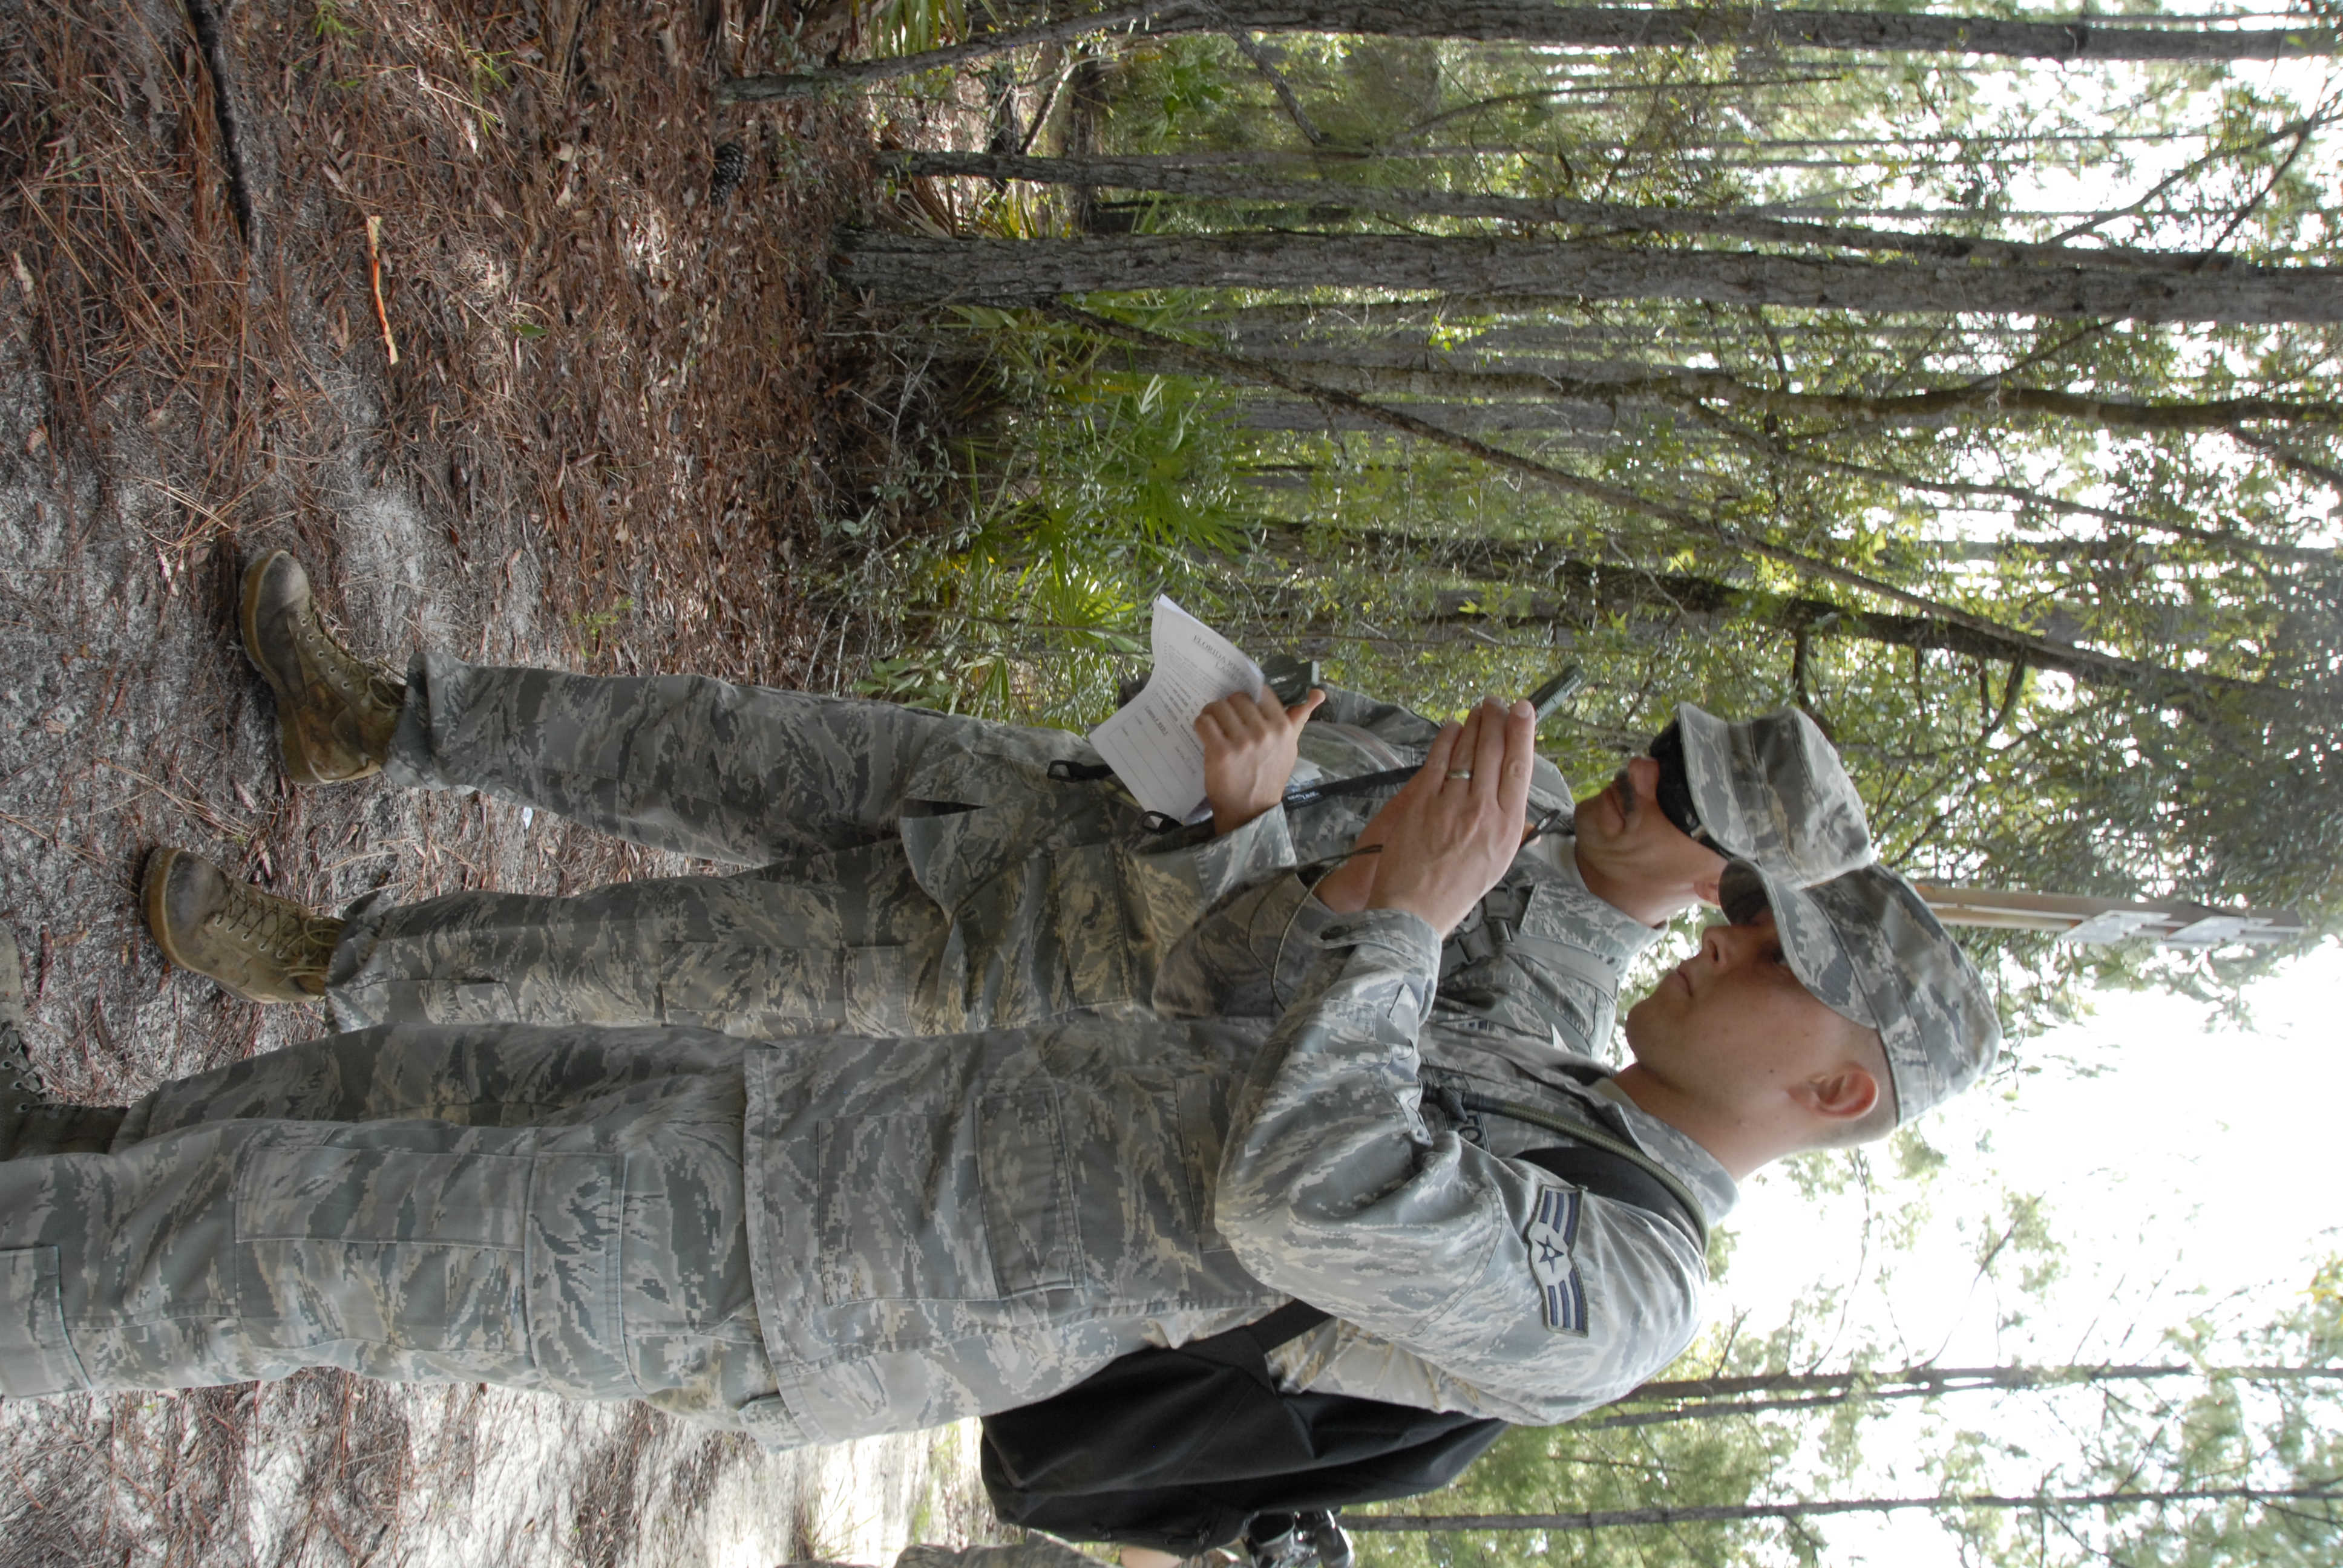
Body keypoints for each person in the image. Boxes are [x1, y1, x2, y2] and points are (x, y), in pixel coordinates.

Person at [0, 700, 1999, 1449]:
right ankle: (49, 1158)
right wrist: (1311, 865)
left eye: (1762, 955)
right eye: (1748, 913)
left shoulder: (1623, 1292)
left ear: (1836, 1092)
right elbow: (1223, 988)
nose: (1719, 933)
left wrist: (1397, 927)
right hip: (822, 1121)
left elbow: (1304, 1195)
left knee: (281, 1243)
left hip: (817, 1265)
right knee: (350, 1118)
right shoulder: (1547, 1081)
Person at [140, 554, 1869, 1068]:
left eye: (1682, 797)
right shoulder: (1545, 778)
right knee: (681, 734)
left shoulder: (1541, 1028)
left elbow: (1279, 1041)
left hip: (992, 961)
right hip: (1015, 792)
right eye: (1664, 743)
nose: (1638, 774)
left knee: (613, 955)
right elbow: (1306, 754)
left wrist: (1245, 826)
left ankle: (321, 962)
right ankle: (373, 719)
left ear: (1725, 895)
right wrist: (1250, 717)